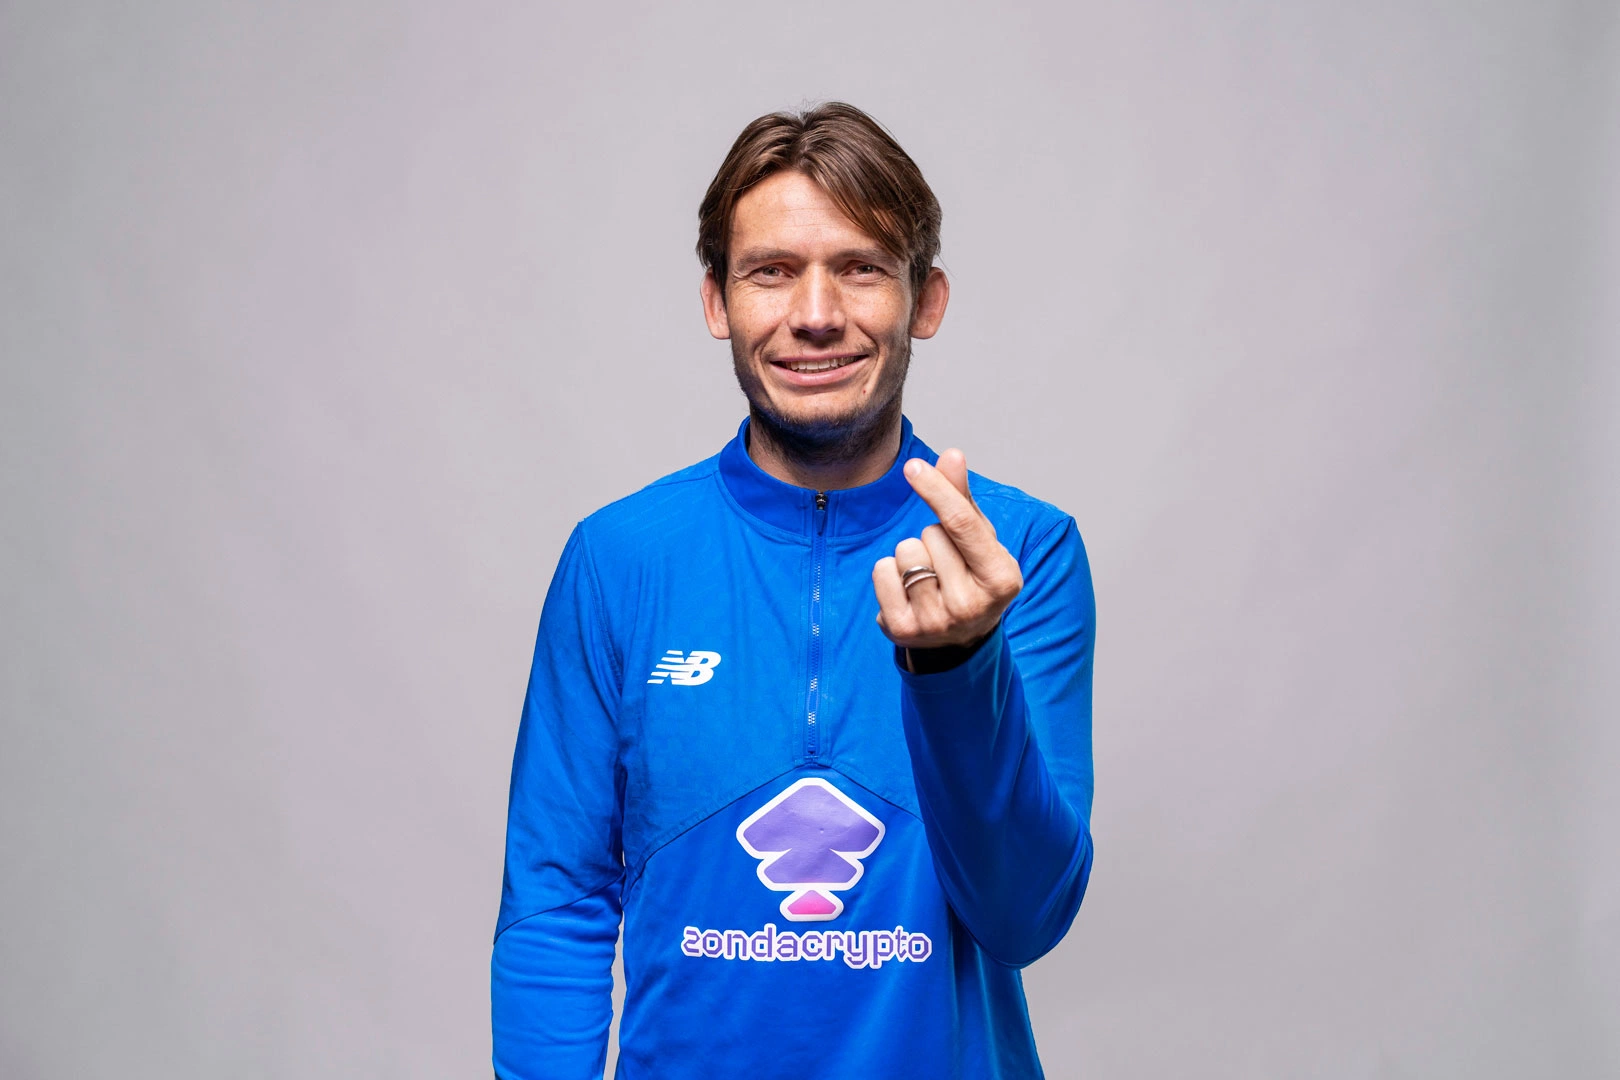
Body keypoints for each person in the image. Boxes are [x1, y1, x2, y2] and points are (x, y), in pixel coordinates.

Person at [492, 102, 1097, 1079]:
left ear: (927, 301)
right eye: (771, 271)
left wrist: (959, 665)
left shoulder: (1020, 553)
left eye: (861, 268)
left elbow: (1024, 915)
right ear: (717, 302)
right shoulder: (620, 557)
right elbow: (555, 903)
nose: (816, 313)